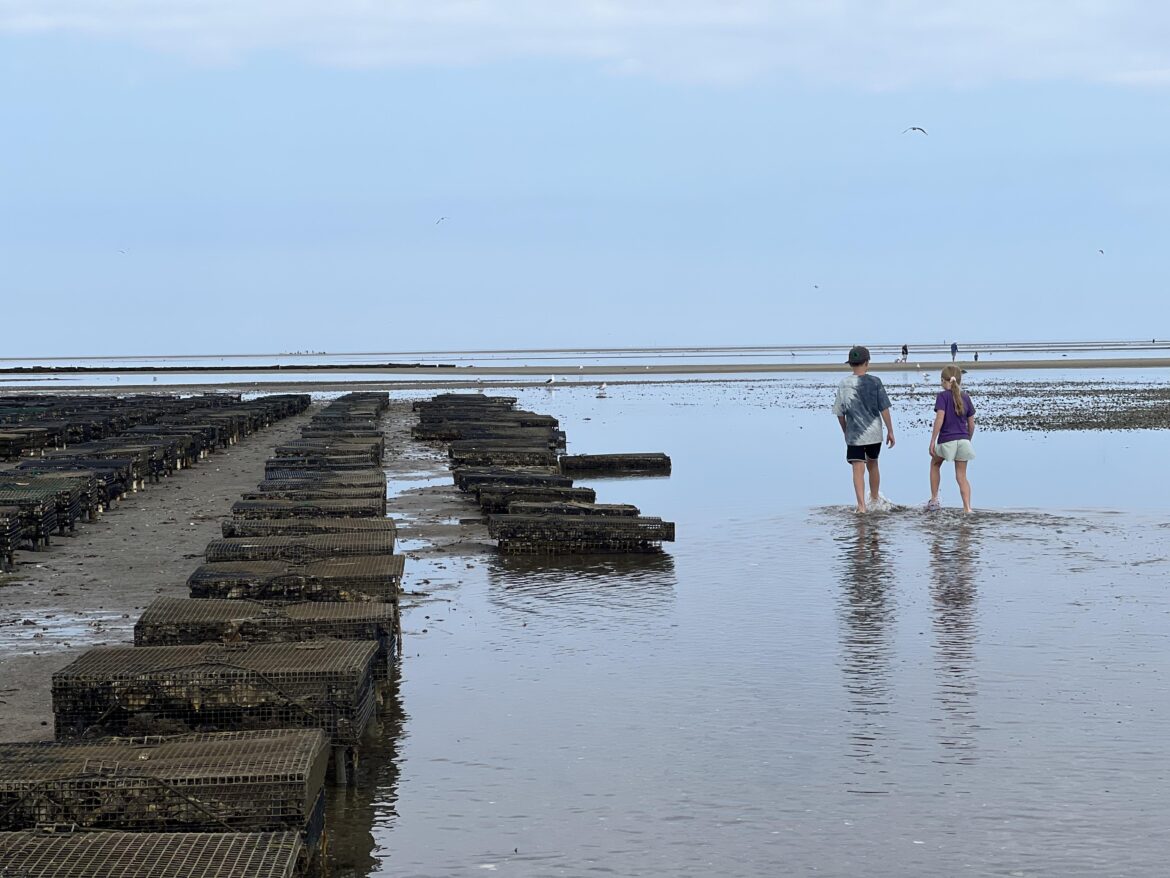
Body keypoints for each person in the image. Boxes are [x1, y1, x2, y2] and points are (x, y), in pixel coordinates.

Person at [833, 346, 896, 513]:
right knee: (873, 464)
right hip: (874, 433)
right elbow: (884, 409)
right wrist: (890, 430)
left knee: (857, 468)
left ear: (851, 364)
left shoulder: (844, 384)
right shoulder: (875, 382)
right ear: (867, 363)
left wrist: (845, 430)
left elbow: (839, 413)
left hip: (854, 434)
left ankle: (861, 507)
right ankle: (874, 499)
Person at [926, 365, 976, 513]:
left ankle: (934, 500)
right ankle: (967, 508)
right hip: (963, 441)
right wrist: (968, 439)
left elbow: (939, 418)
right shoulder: (966, 397)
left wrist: (933, 440)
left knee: (935, 464)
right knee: (961, 476)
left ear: (943, 381)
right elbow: (971, 424)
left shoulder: (942, 396)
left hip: (947, 440)